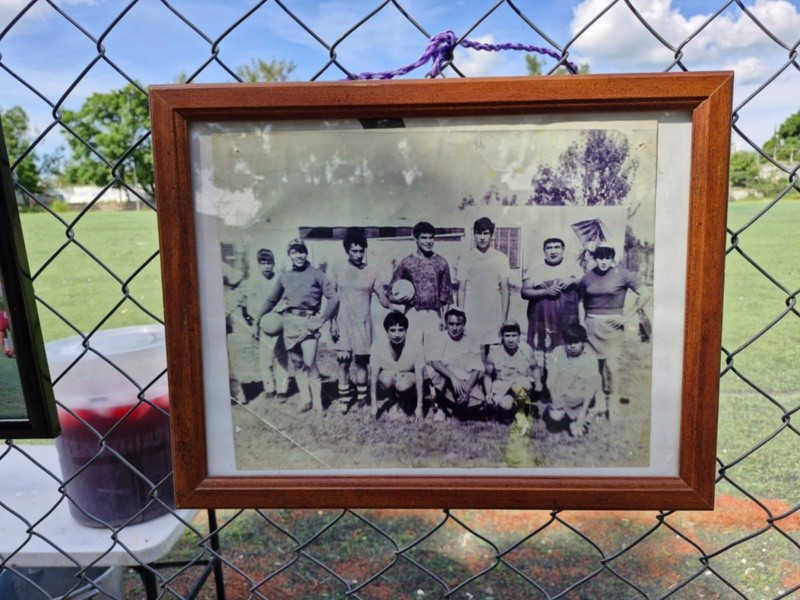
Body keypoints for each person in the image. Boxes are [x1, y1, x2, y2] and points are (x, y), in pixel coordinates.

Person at [255, 239, 339, 412]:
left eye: (301, 251)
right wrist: (258, 318)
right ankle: (305, 400)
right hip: (290, 324)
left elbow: (334, 298)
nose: (299, 255)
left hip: (309, 324)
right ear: (289, 255)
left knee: (309, 362)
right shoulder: (285, 276)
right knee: (297, 363)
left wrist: (322, 320)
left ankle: (318, 402)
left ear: (306, 253)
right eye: (294, 252)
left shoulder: (317, 274)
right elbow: (272, 299)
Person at [578, 241, 651, 415]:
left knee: (612, 366)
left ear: (613, 258)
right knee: (595, 366)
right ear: (595, 258)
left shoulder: (623, 274)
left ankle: (614, 402)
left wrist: (627, 316)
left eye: (607, 257)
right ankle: (599, 402)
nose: (603, 261)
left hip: (613, 327)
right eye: (600, 257)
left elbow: (646, 293)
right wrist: (581, 323)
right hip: (591, 325)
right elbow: (581, 301)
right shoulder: (587, 277)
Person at [329, 228, 390, 412]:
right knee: (343, 361)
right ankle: (344, 399)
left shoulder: (372, 271)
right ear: (347, 250)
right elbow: (332, 299)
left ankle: (362, 398)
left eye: (361, 251)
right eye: (354, 251)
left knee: (362, 362)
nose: (358, 254)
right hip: (343, 321)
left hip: (363, 322)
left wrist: (398, 300)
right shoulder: (338, 268)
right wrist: (332, 322)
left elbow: (383, 298)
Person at [389, 221, 452, 344]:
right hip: (412, 313)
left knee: (433, 350)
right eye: (424, 237)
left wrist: (444, 318)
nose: (428, 241)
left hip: (434, 314)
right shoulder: (406, 262)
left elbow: (446, 295)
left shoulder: (441, 262)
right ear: (416, 239)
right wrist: (396, 299)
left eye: (431, 237)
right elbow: (391, 292)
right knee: (412, 349)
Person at [454, 216, 510, 349]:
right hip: (472, 310)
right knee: (471, 349)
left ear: (491, 235)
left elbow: (505, 290)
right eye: (479, 233)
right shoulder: (466, 258)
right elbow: (461, 290)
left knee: (493, 350)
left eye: (486, 233)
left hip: (493, 310)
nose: (482, 237)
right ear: (474, 234)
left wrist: (504, 318)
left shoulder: (501, 258)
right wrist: (461, 316)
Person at [521, 237, 583, 354]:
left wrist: (572, 280)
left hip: (567, 319)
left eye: (557, 247)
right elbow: (524, 292)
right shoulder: (535, 269)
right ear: (544, 250)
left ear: (563, 249)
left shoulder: (573, 266)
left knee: (566, 349)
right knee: (542, 350)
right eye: (549, 248)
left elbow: (585, 283)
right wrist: (546, 291)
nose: (553, 251)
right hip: (542, 319)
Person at [242, 248, 289, 402]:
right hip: (262, 322)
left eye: (269, 263)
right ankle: (269, 388)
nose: (267, 266)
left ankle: (282, 389)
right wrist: (255, 322)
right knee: (265, 357)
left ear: (273, 263)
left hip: (277, 320)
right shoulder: (253, 281)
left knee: (281, 356)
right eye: (263, 263)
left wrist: (279, 313)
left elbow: (285, 300)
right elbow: (250, 304)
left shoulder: (280, 279)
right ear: (259, 264)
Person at [425, 308, 485, 421]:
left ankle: (454, 406)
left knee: (477, 403)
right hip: (447, 377)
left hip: (464, 380)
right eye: (451, 324)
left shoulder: (472, 339)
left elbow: (477, 369)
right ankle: (441, 407)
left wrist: (467, 390)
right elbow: (435, 362)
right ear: (446, 323)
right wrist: (453, 378)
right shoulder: (439, 337)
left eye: (458, 324)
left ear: (464, 324)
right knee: (438, 374)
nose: (454, 328)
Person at [543, 323, 602, 437]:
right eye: (569, 342)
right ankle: (568, 418)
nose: (572, 346)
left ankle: (578, 417)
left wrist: (583, 412)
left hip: (579, 397)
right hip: (562, 396)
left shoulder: (590, 358)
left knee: (577, 431)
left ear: (583, 342)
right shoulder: (557, 353)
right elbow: (551, 378)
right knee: (556, 416)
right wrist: (554, 398)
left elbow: (590, 389)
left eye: (576, 342)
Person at [484, 320, 542, 433]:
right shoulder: (494, 353)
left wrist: (539, 382)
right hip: (502, 385)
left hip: (520, 384)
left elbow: (535, 367)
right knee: (505, 405)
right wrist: (488, 393)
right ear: (502, 336)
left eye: (514, 335)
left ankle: (522, 411)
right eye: (507, 336)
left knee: (517, 386)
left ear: (519, 335)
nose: (511, 340)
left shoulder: (526, 350)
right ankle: (508, 409)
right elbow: (487, 376)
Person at [369, 311, 425, 422]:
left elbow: (420, 378)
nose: (397, 335)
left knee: (403, 385)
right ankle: (392, 400)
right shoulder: (377, 345)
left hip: (408, 377)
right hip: (389, 374)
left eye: (401, 330)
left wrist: (420, 407)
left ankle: (407, 400)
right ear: (387, 331)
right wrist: (373, 405)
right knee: (385, 379)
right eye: (392, 330)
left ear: (406, 330)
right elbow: (373, 376)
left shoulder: (416, 346)